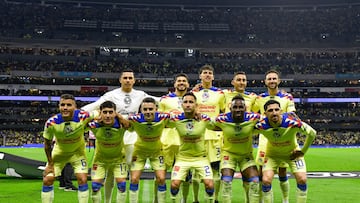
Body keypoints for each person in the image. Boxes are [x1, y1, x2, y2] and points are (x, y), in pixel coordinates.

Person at [82, 68, 158, 203]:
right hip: (114, 134)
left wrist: (178, 98)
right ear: (120, 80)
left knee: (132, 172)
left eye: (130, 78)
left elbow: (158, 101)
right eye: (125, 78)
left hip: (131, 136)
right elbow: (96, 105)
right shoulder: (111, 95)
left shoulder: (140, 94)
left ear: (134, 80)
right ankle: (107, 200)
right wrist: (79, 113)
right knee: (110, 173)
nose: (128, 80)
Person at [254, 99, 316, 203]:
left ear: (281, 111)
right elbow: (245, 133)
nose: (274, 113)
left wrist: (303, 151)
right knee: (266, 180)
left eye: (276, 110)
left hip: (292, 154)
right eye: (270, 110)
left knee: (302, 179)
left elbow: (312, 133)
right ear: (265, 114)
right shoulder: (261, 125)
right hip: (272, 155)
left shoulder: (292, 123)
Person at [41, 94, 96, 203]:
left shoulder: (83, 116)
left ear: (75, 107)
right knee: (48, 179)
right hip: (59, 154)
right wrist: (50, 164)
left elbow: (99, 113)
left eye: (69, 105)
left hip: (78, 154)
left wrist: (119, 117)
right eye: (62, 105)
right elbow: (47, 145)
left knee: (83, 179)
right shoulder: (51, 122)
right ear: (59, 106)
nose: (65, 107)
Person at [253, 69, 296, 203]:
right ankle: (262, 198)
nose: (272, 81)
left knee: (282, 171)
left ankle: (285, 200)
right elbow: (252, 113)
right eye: (269, 79)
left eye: (274, 78)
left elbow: (291, 115)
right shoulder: (259, 98)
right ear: (265, 82)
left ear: (279, 81)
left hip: (282, 139)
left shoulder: (287, 97)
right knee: (261, 172)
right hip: (265, 139)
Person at [168, 92, 215, 203]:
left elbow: (216, 125)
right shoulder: (176, 119)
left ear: (196, 105)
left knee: (209, 184)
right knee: (174, 185)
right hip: (183, 158)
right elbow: (163, 121)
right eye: (186, 102)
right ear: (182, 105)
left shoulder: (204, 119)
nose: (188, 104)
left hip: (201, 158)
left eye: (191, 102)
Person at [214, 94, 261, 203]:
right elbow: (207, 122)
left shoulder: (253, 118)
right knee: (226, 181)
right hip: (229, 155)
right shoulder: (222, 119)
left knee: (254, 181)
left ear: (245, 108)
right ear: (230, 108)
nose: (238, 110)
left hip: (246, 156)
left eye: (241, 107)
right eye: (235, 107)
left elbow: (268, 119)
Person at [191, 64, 225, 203]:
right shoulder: (194, 93)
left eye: (210, 73)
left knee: (216, 169)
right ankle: (195, 200)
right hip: (198, 135)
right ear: (200, 76)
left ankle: (215, 199)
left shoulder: (220, 94)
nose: (207, 75)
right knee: (195, 171)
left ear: (213, 76)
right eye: (204, 72)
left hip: (215, 136)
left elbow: (223, 112)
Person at [127, 97, 169, 203]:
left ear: (156, 109)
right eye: (145, 109)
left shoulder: (164, 117)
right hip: (139, 152)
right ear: (141, 110)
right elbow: (124, 124)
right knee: (134, 179)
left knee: (161, 179)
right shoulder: (134, 119)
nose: (148, 112)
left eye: (151, 109)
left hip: (157, 152)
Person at [158, 73, 191, 202]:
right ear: (174, 84)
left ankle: (184, 199)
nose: (181, 83)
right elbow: (159, 120)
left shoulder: (193, 100)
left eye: (184, 81)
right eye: (179, 81)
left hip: (185, 142)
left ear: (188, 84)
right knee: (161, 174)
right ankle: (158, 199)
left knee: (186, 175)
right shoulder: (165, 99)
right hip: (166, 141)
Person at [87, 101, 128, 203]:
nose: (108, 115)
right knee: (95, 187)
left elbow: (130, 125)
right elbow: (81, 122)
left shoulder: (122, 125)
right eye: (105, 112)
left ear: (115, 113)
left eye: (111, 112)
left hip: (119, 159)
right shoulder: (94, 125)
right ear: (100, 113)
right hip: (100, 160)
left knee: (122, 185)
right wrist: (94, 116)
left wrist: (121, 117)